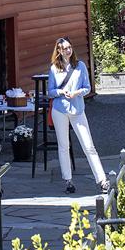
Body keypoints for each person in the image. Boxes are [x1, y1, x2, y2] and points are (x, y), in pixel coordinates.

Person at [48, 37, 109, 194]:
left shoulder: (80, 66)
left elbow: (87, 87)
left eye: (70, 47)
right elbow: (50, 91)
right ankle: (68, 180)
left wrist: (77, 92)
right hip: (60, 109)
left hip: (77, 109)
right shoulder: (54, 69)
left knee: (88, 145)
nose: (68, 50)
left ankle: (102, 180)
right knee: (64, 146)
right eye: (64, 48)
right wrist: (61, 92)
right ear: (59, 51)